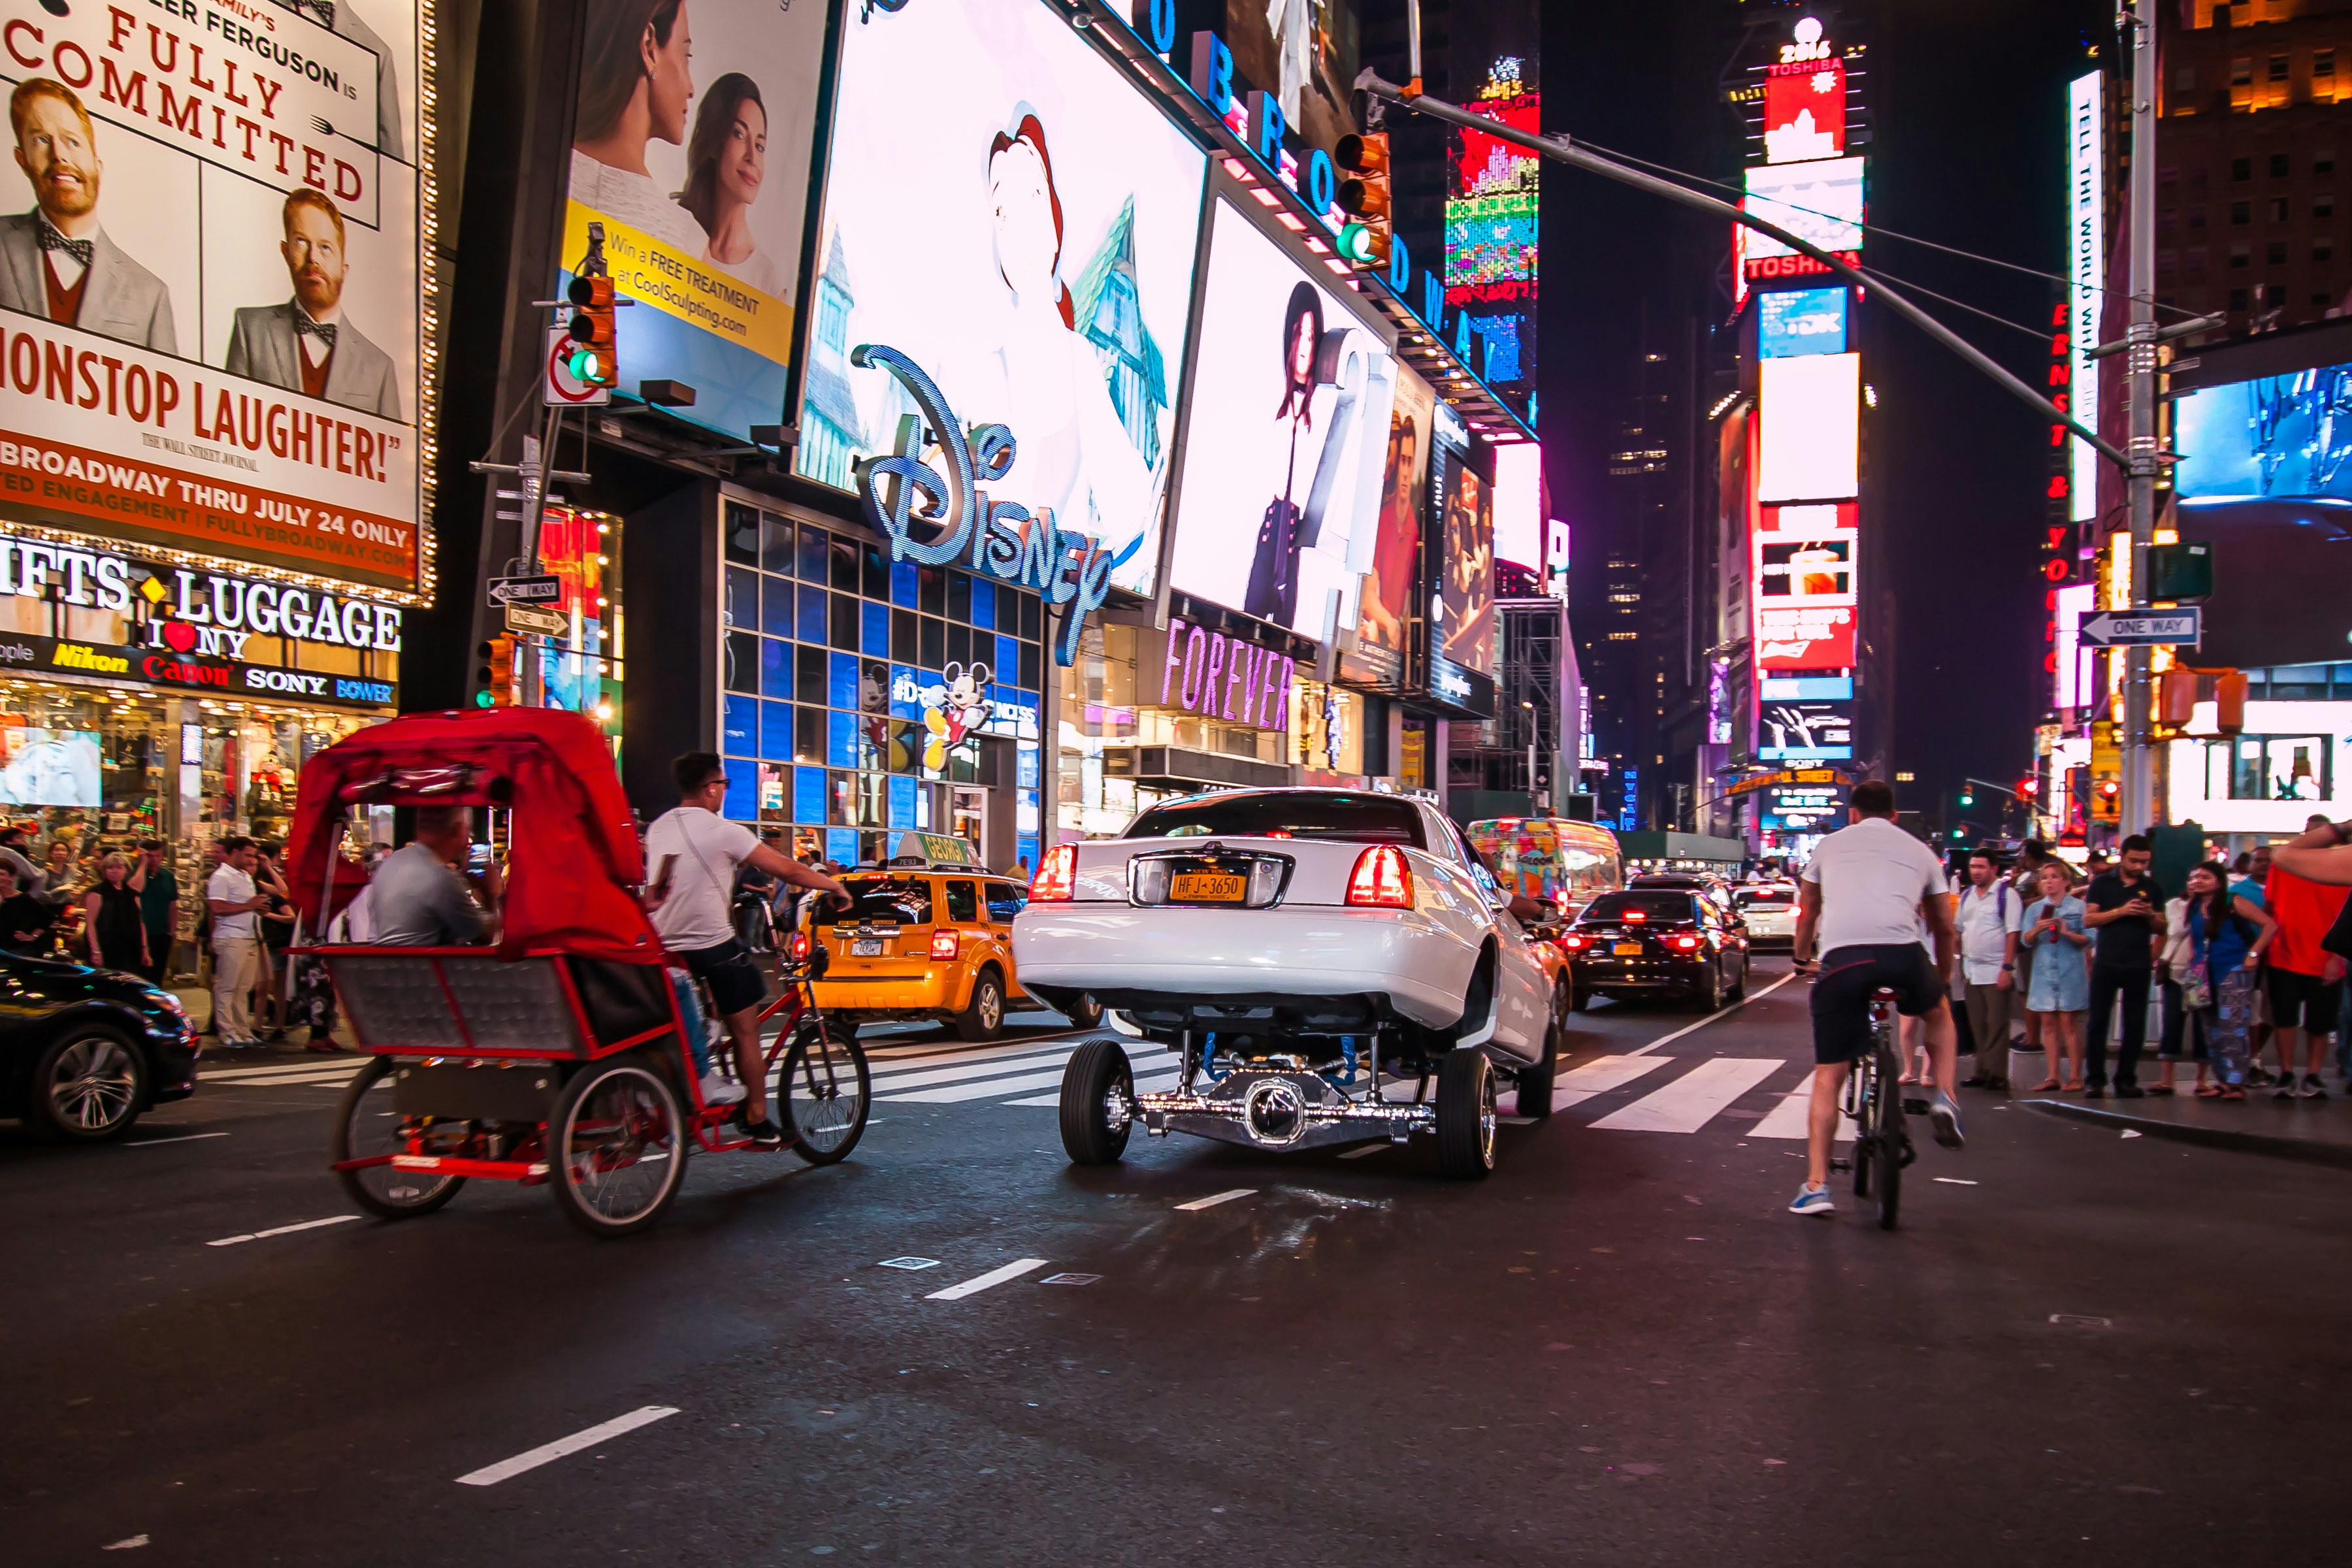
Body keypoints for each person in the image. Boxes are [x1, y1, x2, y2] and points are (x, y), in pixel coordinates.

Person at [644, 752, 849, 1145]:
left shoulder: (658, 827)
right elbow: (787, 870)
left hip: (663, 948)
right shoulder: (725, 831)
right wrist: (835, 886)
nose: (724, 791)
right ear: (710, 789)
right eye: (724, 784)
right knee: (747, 1028)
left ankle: (696, 1064)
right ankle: (757, 1118)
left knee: (690, 1019)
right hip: (709, 943)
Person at [1786, 780, 1963, 1218]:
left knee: (1829, 1074)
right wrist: (1941, 977)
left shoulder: (1828, 846)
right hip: (1903, 956)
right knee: (1939, 1012)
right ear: (1895, 815)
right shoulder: (1921, 851)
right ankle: (1945, 1096)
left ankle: (1816, 1184)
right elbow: (1943, 925)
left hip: (1844, 961)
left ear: (1853, 813)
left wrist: (1801, 956)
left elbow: (1809, 910)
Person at [0, 78, 176, 351]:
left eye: (73, 142)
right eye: (41, 140)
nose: (59, 156)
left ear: (97, 165)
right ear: (22, 160)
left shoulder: (150, 294)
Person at [224, 190, 402, 417]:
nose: (313, 258)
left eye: (325, 247)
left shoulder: (380, 367)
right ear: (286, 252)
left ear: (343, 268)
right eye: (301, 242)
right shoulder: (250, 328)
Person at [570, 0, 711, 255]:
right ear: (649, 48)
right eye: (686, 57)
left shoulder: (534, 173)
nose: (691, 89)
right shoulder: (687, 243)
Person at [677, 73, 792, 297]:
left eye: (760, 146)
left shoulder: (768, 284)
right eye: (739, 134)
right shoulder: (678, 234)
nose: (752, 157)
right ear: (714, 143)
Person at [2262, 813, 2350, 1098]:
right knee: (2285, 1019)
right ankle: (2287, 1072)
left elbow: (2284, 853)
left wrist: (2335, 958)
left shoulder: (2337, 865)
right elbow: (2282, 860)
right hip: (2285, 955)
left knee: (2320, 1023)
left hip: (2325, 957)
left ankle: (2312, 1074)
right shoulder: (2290, 869)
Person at [2181, 859, 2276, 1100]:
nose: (2197, 882)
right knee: (2211, 1028)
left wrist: (2254, 953)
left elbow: (2269, 926)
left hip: (2233, 970)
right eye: (2193, 878)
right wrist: (2193, 963)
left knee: (2232, 1027)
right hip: (2204, 974)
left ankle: (2237, 1082)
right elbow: (2194, 938)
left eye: (2204, 877)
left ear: (2218, 881)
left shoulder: (2232, 902)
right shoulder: (2193, 906)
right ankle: (2222, 1080)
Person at [2080, 834, 2166, 1098]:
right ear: (2123, 856)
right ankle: (2095, 1079)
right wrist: (2121, 911)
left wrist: (2150, 915)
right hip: (2107, 961)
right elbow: (2089, 919)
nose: (2140, 866)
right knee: (2098, 1022)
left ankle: (2126, 1078)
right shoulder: (2103, 884)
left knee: (2135, 1023)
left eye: (2145, 862)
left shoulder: (2152, 888)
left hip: (2138, 963)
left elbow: (2162, 927)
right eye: (2135, 861)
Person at [371, 808, 496, 947]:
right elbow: (484, 937)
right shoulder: (441, 877)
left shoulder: (391, 863)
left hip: (392, 964)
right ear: (458, 830)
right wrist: (490, 893)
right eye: (468, 830)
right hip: (426, 966)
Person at [1952, 848, 2022, 1090]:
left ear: (1994, 869)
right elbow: (1959, 929)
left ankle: (1998, 1074)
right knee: (1977, 1022)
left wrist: (2007, 967)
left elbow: (2013, 932)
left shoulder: (2007, 895)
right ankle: (1981, 1070)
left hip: (1996, 968)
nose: (1976, 872)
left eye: (1981, 867)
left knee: (1997, 1022)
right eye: (1973, 867)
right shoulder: (1967, 895)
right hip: (1972, 969)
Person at [2021, 860, 2092, 1091]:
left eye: (2054, 877)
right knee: (2048, 1024)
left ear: (2065, 881)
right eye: (2044, 878)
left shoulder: (2079, 908)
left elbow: (2090, 938)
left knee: (2069, 1024)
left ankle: (2075, 1076)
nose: (2049, 882)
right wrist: (2038, 928)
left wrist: (2068, 932)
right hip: (2043, 972)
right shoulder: (2035, 909)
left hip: (2070, 970)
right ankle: (2052, 1076)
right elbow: (2026, 939)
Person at [206, 838, 272, 1047]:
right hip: (231, 937)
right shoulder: (221, 877)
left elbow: (247, 906)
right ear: (235, 852)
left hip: (249, 936)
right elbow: (217, 908)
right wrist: (249, 905)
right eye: (248, 855)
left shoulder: (244, 876)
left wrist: (258, 908)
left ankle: (243, 1030)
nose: (252, 859)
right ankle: (227, 1032)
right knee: (227, 986)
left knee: (243, 988)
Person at [82, 851, 149, 975]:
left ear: (126, 870)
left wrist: (145, 948)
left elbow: (140, 923)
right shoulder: (96, 892)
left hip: (130, 948)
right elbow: (90, 924)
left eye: (119, 867)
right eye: (110, 868)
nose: (114, 871)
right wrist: (95, 951)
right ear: (104, 870)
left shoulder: (131, 893)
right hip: (106, 947)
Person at [127, 840, 178, 987]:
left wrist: (172, 930)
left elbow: (172, 904)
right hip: (137, 933)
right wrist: (142, 865)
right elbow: (133, 889)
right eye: (149, 856)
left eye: (157, 856)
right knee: (139, 976)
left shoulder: (168, 876)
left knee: (157, 975)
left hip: (161, 933)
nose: (153, 859)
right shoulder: (132, 872)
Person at [0, 862, 54, 956]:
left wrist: (33, 936)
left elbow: (48, 918)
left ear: (12, 877)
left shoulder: (23, 899)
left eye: (2, 874)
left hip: (13, 949)